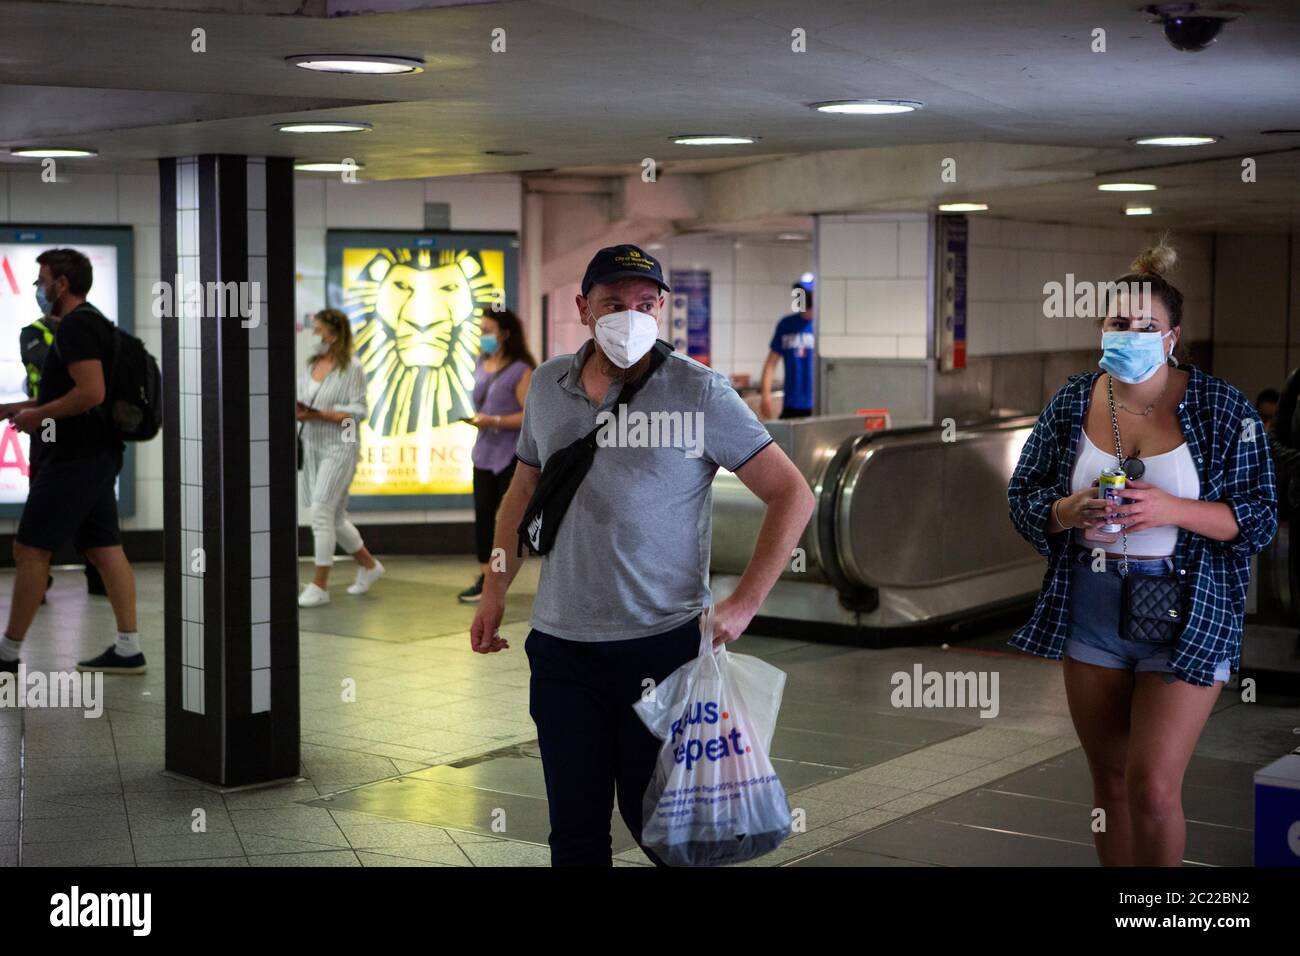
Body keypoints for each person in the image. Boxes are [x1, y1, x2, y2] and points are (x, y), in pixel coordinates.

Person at [469, 243, 815, 867]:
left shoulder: (700, 391)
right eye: (613, 304)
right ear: (583, 308)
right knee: (574, 834)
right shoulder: (549, 385)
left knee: (667, 830)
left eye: (644, 303)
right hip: (562, 649)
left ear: (662, 308)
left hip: (662, 647)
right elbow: (521, 494)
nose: (630, 316)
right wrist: (495, 587)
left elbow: (793, 493)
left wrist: (743, 605)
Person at [1008, 241, 1277, 867]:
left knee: (1153, 786)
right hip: (1092, 605)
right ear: (1101, 328)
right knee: (1111, 786)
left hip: (1188, 610)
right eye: (1117, 324)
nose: (1130, 334)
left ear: (1172, 335)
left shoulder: (1219, 407)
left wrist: (1172, 511)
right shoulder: (1074, 401)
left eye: (1146, 327)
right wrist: (1065, 513)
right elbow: (1023, 495)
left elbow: (1260, 517)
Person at [0, 248, 145, 674]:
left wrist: (36, 417)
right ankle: (127, 648)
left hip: (73, 458)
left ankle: (6, 656)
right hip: (96, 455)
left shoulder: (76, 326)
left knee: (29, 549)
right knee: (104, 549)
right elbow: (75, 390)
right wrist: (17, 408)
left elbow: (91, 393)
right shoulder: (94, 322)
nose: (38, 289)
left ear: (61, 283)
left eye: (42, 279)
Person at [296, 308, 383, 607]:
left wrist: (321, 415)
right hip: (314, 445)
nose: (314, 335)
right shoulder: (311, 366)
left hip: (340, 448)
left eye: (317, 329)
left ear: (333, 333)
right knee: (334, 517)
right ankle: (370, 566)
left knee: (320, 512)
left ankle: (319, 585)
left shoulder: (352, 368)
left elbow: (359, 411)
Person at [19, 312, 108, 598]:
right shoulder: (32, 333)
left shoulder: (83, 329)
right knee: (44, 482)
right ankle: (39, 580)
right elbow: (53, 367)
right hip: (46, 422)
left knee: (87, 492)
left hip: (77, 418)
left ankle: (96, 576)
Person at [458, 308, 534, 603]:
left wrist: (494, 421)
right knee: (483, 516)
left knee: (507, 519)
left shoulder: (522, 369)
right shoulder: (482, 362)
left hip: (510, 455)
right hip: (483, 453)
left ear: (504, 333)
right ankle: (484, 575)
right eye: (481, 331)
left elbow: (528, 416)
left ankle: (499, 576)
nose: (483, 336)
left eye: (487, 330)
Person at [760, 279, 815, 420]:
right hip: (792, 403)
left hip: (817, 403)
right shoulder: (786, 325)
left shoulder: (823, 326)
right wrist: (765, 394)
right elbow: (771, 364)